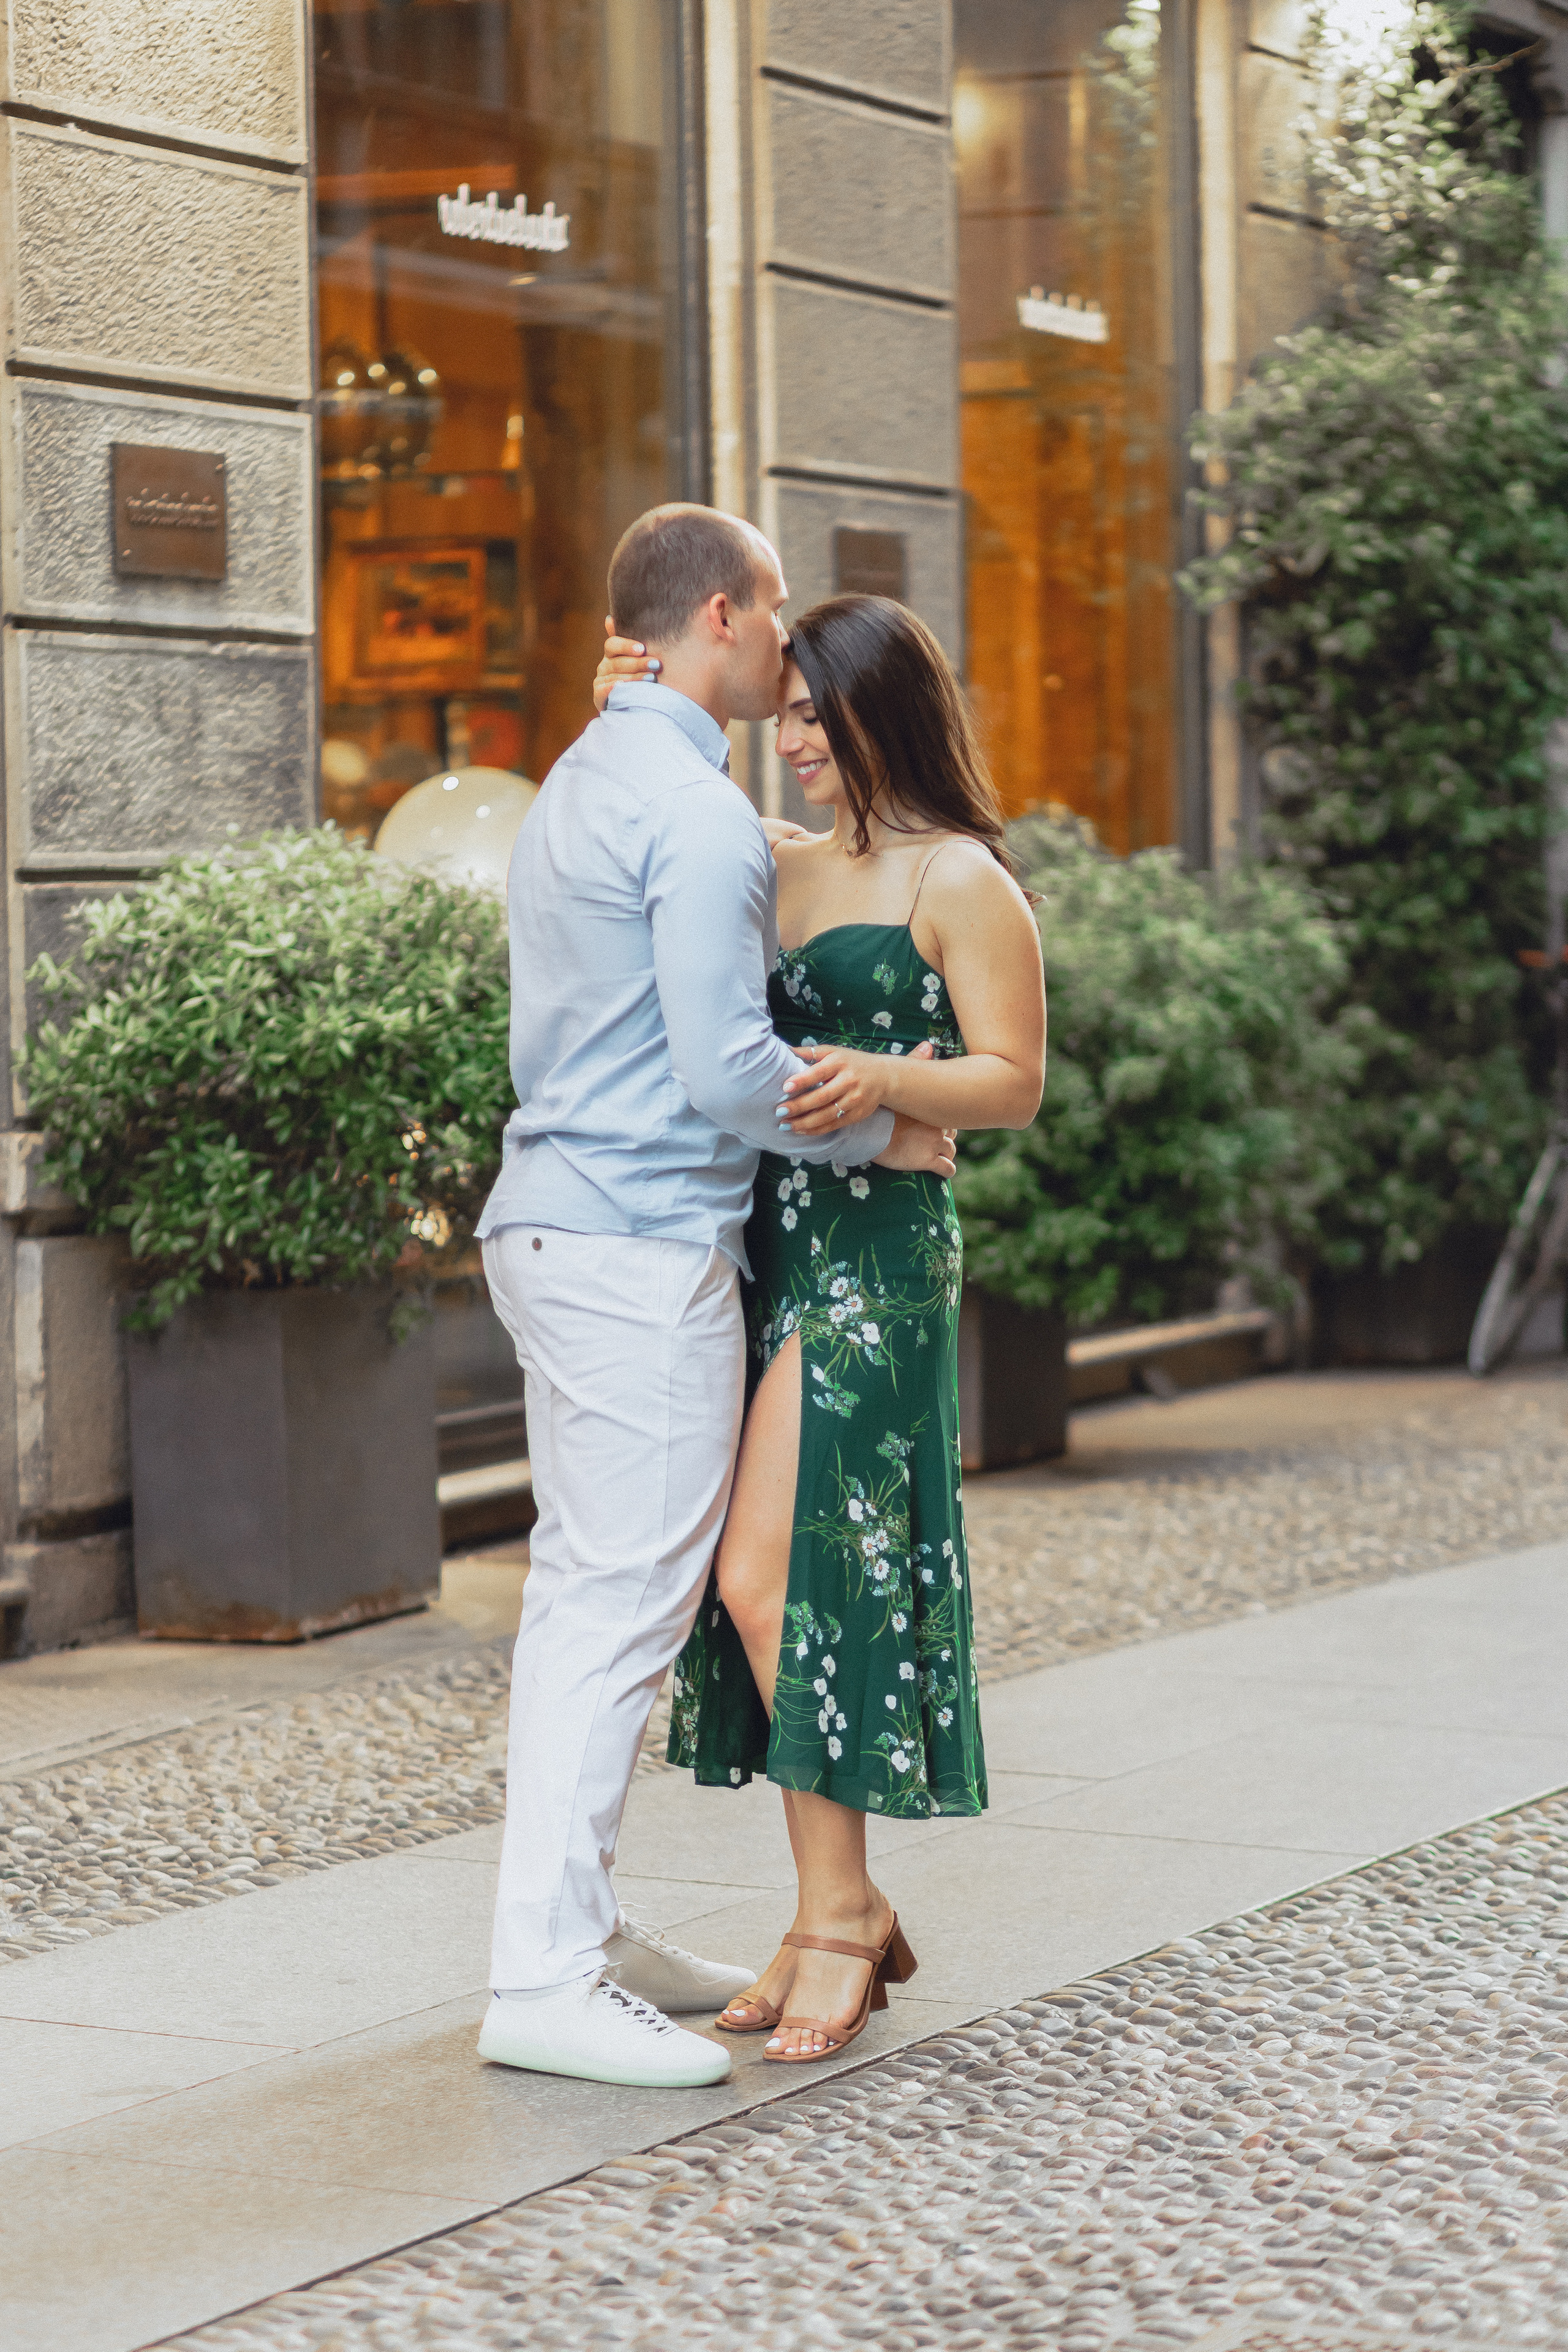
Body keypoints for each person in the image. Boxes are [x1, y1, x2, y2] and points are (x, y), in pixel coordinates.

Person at [474, 507, 957, 2090]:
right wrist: (902, 1128)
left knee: (587, 1592)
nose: (789, 656)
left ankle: (582, 1932)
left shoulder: (584, 776)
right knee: (619, 1604)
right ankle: (544, 1975)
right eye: (769, 618)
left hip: (555, 1227)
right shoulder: (696, 817)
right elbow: (725, 1071)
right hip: (634, 1246)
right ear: (734, 618)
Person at [591, 590, 1046, 2062]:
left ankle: (840, 1911)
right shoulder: (773, 864)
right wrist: (624, 697)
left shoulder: (959, 878)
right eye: (776, 711)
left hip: (883, 1258)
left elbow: (1012, 1082)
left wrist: (882, 1078)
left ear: (877, 713)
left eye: (810, 712)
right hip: (770, 1246)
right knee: (786, 1583)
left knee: (764, 1569)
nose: (785, 737)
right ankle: (823, 1908)